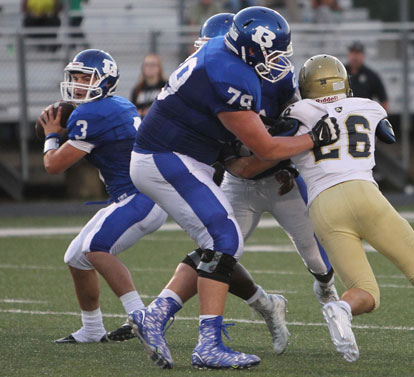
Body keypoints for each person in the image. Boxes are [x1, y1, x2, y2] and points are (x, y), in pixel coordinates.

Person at [128, 6, 339, 370]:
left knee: (221, 242)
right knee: (225, 239)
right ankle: (204, 344)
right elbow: (265, 149)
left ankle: (158, 318)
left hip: (179, 157)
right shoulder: (229, 73)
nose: (275, 62)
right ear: (252, 47)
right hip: (168, 157)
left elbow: (252, 149)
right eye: (271, 52)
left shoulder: (222, 55)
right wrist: (313, 141)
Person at [233, 54, 414, 363]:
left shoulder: (296, 112)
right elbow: (387, 134)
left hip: (323, 206)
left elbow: (273, 145)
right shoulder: (369, 107)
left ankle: (341, 307)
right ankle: (339, 309)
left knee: (363, 288)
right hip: (365, 193)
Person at [38, 49, 168, 343]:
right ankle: (92, 328)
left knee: (95, 247)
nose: (79, 84)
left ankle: (142, 317)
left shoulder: (92, 114)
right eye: (76, 77)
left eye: (87, 78)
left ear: (106, 81)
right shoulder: (118, 104)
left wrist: (51, 135)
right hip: (139, 196)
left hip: (139, 197)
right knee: (75, 258)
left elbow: (53, 165)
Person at [345, 41, 389, 113]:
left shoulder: (371, 75)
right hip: (344, 113)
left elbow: (383, 100)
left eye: (357, 54)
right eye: (352, 53)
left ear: (363, 56)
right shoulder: (340, 74)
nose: (354, 57)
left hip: (365, 115)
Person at [130, 53, 167, 118]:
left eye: (153, 65)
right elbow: (133, 111)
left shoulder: (165, 87)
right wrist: (142, 112)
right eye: (147, 65)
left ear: (159, 68)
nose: (150, 68)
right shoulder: (137, 89)